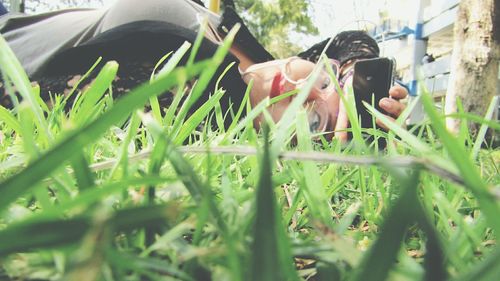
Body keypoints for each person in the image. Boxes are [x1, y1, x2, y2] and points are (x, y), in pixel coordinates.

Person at [0, 0, 407, 141]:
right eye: (320, 81)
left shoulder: (199, 95)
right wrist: (357, 75)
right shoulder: (253, 55)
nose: (299, 92)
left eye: (313, 119)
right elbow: (346, 41)